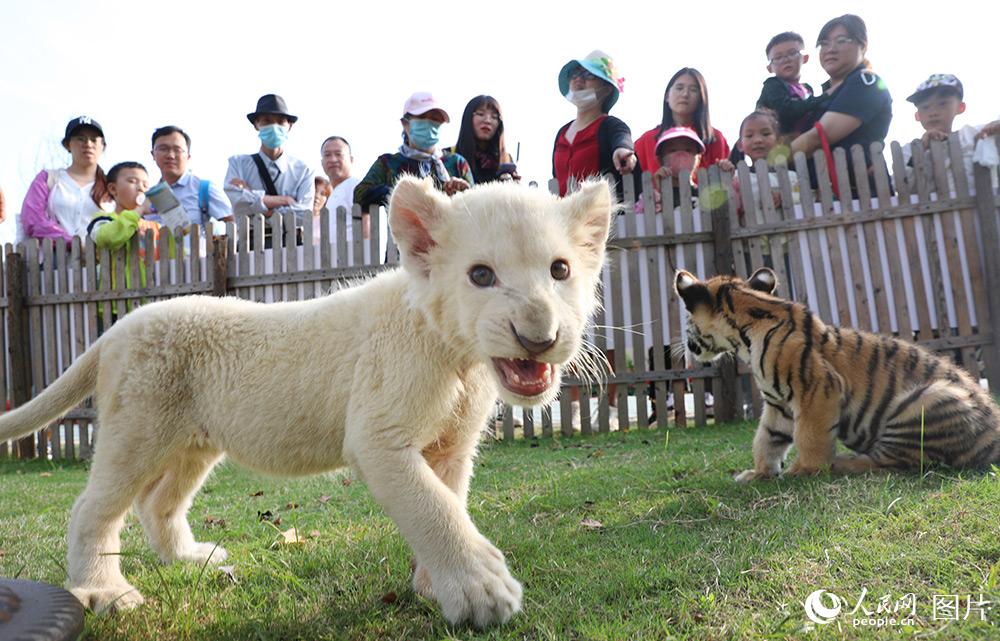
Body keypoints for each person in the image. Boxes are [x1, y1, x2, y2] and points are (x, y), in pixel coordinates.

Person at [790, 15, 892, 193]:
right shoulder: (823, 94)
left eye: (841, 41)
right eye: (824, 44)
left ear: (863, 45)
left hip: (861, 198)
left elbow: (818, 137)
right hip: (822, 199)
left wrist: (772, 160)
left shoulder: (866, 82)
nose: (830, 49)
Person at [354, 92, 474, 212]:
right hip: (404, 229)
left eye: (435, 119)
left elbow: (476, 207)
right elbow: (359, 195)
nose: (429, 124)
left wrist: (464, 193)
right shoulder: (388, 163)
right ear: (405, 124)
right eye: (422, 117)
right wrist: (399, 191)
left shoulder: (456, 163)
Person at [225, 94, 314, 248]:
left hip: (291, 245)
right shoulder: (237, 163)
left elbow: (303, 215)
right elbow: (238, 202)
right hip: (250, 245)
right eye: (267, 121)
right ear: (256, 124)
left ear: (289, 126)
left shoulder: (304, 170)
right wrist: (284, 200)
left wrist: (255, 201)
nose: (274, 127)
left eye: (280, 122)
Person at [551, 50, 638, 199]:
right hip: (563, 217)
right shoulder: (562, 132)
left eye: (589, 75)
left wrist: (623, 151)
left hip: (600, 217)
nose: (579, 79)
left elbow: (622, 139)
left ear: (607, 89)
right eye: (575, 74)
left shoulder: (611, 126)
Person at [20, 116, 113, 246]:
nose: (88, 144)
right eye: (81, 139)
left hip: (104, 262)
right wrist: (72, 243)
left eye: (94, 140)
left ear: (102, 146)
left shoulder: (113, 186)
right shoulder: (48, 179)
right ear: (67, 144)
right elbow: (32, 220)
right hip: (53, 261)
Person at [902, 74, 1000, 192]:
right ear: (917, 116)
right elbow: (903, 188)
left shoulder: (975, 134)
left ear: (961, 107)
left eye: (942, 104)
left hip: (984, 207)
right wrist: (920, 152)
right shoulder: (908, 151)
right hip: (935, 210)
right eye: (925, 107)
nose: (933, 112)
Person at [87, 162, 161, 316]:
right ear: (113, 189)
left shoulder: (153, 226)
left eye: (145, 184)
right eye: (133, 181)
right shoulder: (103, 219)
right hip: (113, 307)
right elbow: (107, 238)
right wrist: (137, 211)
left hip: (149, 305)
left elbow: (170, 256)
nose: (141, 188)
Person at [634, 68, 730, 179]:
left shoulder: (715, 138)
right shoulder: (646, 140)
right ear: (667, 96)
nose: (685, 94)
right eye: (679, 88)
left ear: (701, 98)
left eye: (693, 90)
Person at [150, 126, 233, 231]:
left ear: (188, 156)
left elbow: (232, 222)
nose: (170, 155)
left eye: (177, 150)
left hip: (196, 247)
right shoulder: (148, 196)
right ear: (153, 154)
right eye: (163, 149)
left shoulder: (204, 188)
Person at [721, 109, 800, 213]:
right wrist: (726, 178)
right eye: (749, 136)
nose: (758, 140)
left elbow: (807, 198)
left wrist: (784, 197)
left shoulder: (791, 177)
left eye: (766, 134)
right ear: (740, 145)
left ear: (779, 142)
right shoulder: (736, 177)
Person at [756, 32, 829, 138]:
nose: (786, 59)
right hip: (780, 149)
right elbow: (785, 111)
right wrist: (824, 97)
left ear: (805, 58)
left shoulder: (808, 89)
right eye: (778, 57)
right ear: (769, 68)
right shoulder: (772, 85)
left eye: (792, 53)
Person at [450, 95, 516, 184]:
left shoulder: (506, 159)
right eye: (481, 114)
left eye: (494, 117)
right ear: (468, 118)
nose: (487, 120)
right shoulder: (449, 156)